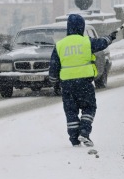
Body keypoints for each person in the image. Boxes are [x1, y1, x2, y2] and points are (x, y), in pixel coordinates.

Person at [48, 14, 118, 147]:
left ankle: (74, 139)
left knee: (70, 111)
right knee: (89, 107)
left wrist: (54, 81)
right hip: (84, 83)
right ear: (81, 27)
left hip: (67, 85)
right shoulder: (87, 42)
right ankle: (84, 132)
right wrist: (110, 37)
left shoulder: (60, 45)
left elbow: (53, 67)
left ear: (68, 28)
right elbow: (101, 43)